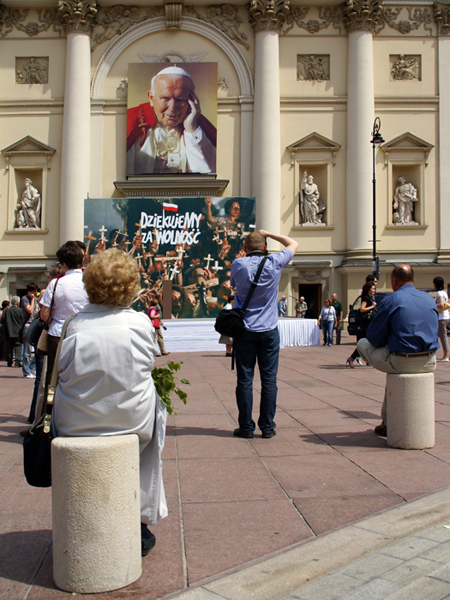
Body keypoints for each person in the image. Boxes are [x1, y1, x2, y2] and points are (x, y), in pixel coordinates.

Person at [52, 249, 167, 557]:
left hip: (74, 424)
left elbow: (64, 372)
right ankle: (140, 522)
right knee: (154, 411)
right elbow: (145, 366)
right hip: (132, 424)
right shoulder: (141, 323)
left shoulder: (74, 325)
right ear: (131, 286)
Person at [230, 230, 298, 439]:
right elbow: (293, 243)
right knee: (269, 380)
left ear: (245, 248)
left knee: (245, 380)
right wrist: (269, 233)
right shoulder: (275, 261)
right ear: (265, 248)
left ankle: (246, 427)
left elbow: (233, 286)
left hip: (245, 330)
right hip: (269, 329)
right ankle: (267, 427)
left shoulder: (238, 264)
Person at [357, 265, 439, 437]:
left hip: (401, 360)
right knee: (395, 375)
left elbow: (373, 337)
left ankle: (387, 423)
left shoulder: (391, 299)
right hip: (430, 360)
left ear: (394, 281)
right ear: (413, 279)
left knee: (362, 343)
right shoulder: (428, 299)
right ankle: (386, 422)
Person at [126, 66, 216, 175]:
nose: (172, 107)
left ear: (192, 100)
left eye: (180, 100)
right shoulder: (132, 122)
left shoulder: (197, 126)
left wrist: (191, 129)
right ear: (151, 98)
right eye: (165, 98)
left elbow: (209, 174)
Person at [40, 241, 89, 388]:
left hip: (58, 333)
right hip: (85, 332)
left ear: (63, 264)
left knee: (54, 375)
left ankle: (50, 408)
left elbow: (44, 314)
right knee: (83, 374)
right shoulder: (89, 282)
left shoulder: (56, 283)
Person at [346, 282, 377, 367]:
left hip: (367, 324)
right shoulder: (366, 298)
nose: (374, 290)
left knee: (364, 343)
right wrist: (372, 306)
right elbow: (362, 309)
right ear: (368, 290)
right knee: (364, 343)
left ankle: (361, 359)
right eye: (373, 289)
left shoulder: (370, 298)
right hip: (364, 325)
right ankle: (352, 358)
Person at [21, 282, 38, 378]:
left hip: (34, 324)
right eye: (33, 292)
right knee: (27, 351)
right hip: (27, 325)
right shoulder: (25, 299)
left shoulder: (35, 299)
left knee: (38, 350)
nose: (35, 293)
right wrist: (32, 299)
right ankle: (26, 371)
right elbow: (30, 311)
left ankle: (32, 367)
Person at [1, 296, 22, 367]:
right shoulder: (20, 311)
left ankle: (9, 361)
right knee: (18, 346)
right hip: (18, 331)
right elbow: (22, 320)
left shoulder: (6, 311)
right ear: (18, 303)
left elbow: (2, 320)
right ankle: (17, 361)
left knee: (9, 347)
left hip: (8, 331)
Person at [433, 276, 449, 362]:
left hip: (441, 318)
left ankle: (445, 356)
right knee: (439, 336)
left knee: (443, 337)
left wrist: (432, 305)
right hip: (445, 317)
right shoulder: (444, 292)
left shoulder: (439, 293)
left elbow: (441, 304)